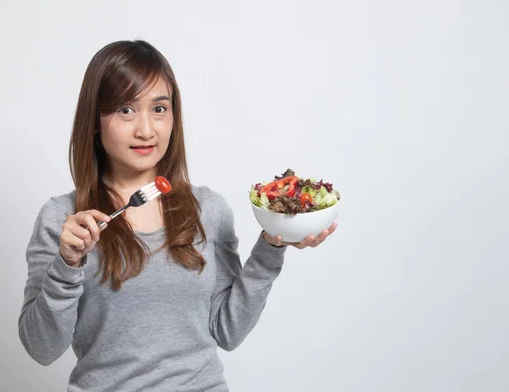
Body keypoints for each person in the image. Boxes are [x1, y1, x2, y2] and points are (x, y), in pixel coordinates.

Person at [18, 40, 337, 392]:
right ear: (95, 120)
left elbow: (227, 331)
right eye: (126, 110)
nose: (146, 130)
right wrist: (67, 264)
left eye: (159, 109)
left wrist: (272, 246)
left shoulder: (208, 210)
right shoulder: (63, 220)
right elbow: (42, 348)